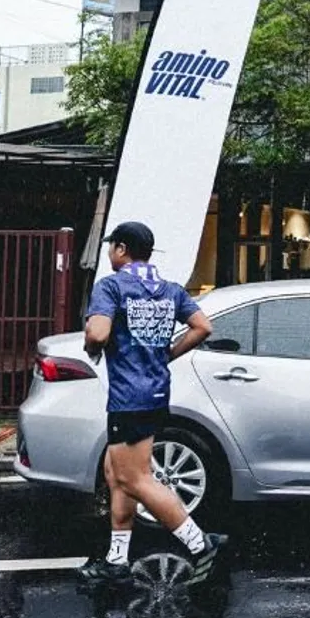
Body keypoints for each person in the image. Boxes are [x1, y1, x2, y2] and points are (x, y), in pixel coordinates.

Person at [77, 221, 226, 588]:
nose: (110, 252)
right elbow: (203, 327)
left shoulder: (112, 287)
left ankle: (200, 542)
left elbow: (98, 332)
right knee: (117, 476)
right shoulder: (170, 290)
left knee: (134, 477)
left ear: (123, 250)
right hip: (156, 392)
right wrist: (167, 354)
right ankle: (116, 559)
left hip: (129, 398)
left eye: (112, 246)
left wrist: (92, 345)